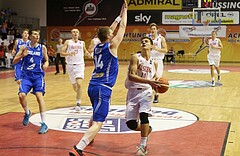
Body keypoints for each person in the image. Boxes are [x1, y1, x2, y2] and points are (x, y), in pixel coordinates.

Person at [69, 1, 127, 156]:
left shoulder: (96, 47)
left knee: (95, 113)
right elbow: (122, 28)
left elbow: (108, 30)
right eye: (111, 34)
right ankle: (78, 147)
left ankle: (90, 137)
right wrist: (125, 12)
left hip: (92, 86)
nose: (113, 34)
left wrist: (116, 19)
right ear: (109, 36)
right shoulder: (112, 46)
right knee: (99, 122)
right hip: (103, 88)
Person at [125, 36, 161, 156]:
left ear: (151, 46)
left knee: (144, 115)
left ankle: (143, 145)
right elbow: (131, 75)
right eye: (142, 41)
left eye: (146, 41)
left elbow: (154, 77)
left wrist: (155, 84)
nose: (143, 42)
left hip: (146, 92)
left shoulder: (154, 62)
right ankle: (147, 129)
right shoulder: (136, 57)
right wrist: (149, 81)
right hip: (133, 92)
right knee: (131, 124)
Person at [12, 29, 49, 134]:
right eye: (35, 34)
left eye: (38, 35)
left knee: (39, 95)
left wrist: (46, 64)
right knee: (21, 95)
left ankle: (44, 123)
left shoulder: (42, 48)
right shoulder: (24, 47)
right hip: (26, 76)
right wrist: (22, 55)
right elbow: (15, 61)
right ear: (30, 36)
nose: (37, 36)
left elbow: (46, 60)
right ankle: (27, 112)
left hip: (38, 76)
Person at [61, 28, 91, 111]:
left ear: (79, 34)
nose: (75, 33)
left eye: (77, 32)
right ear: (71, 33)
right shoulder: (68, 42)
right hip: (70, 65)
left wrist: (88, 54)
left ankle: (78, 103)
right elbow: (62, 53)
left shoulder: (82, 43)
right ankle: (79, 94)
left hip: (80, 65)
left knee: (79, 84)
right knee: (75, 87)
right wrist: (69, 53)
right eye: (73, 32)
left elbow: (85, 51)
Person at [147, 23, 167, 103]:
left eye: (154, 29)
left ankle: (156, 95)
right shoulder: (147, 38)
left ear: (156, 30)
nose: (152, 30)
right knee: (148, 77)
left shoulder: (161, 38)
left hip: (158, 60)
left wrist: (156, 49)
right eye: (151, 29)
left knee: (157, 78)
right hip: (149, 59)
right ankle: (148, 95)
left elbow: (165, 50)